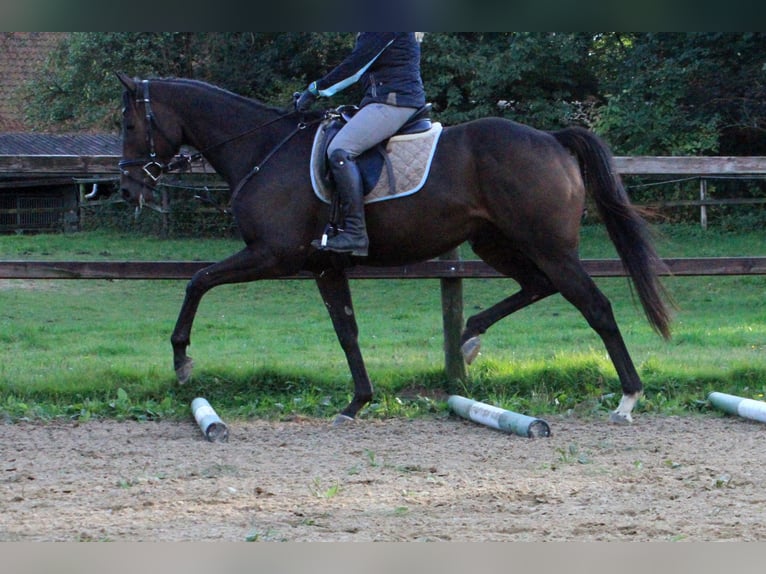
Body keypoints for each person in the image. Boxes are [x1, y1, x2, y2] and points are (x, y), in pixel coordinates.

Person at [295, 32, 427, 257]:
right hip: (386, 99)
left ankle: (355, 233)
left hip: (393, 101)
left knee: (340, 150)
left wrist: (315, 89)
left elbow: (354, 68)